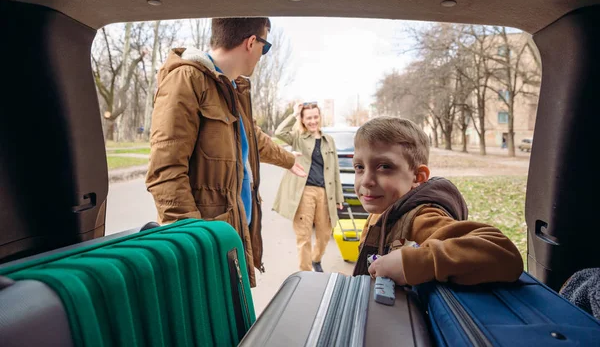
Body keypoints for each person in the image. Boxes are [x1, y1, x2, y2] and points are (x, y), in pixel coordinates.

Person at [145, 17, 306, 287]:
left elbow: (253, 139)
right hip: (207, 243)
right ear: (251, 42)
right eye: (264, 48)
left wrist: (288, 160)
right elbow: (165, 173)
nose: (262, 56)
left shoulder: (231, 88)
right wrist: (195, 244)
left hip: (233, 233)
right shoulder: (187, 79)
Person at [352, 116, 523, 285]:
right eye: (359, 167)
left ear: (418, 177)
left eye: (384, 167)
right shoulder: (381, 211)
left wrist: (412, 263)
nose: (366, 180)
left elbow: (503, 253)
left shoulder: (420, 219)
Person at [273, 102, 344, 272]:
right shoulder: (298, 137)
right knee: (303, 236)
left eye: (315, 117)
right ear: (303, 120)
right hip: (304, 192)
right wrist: (294, 113)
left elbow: (334, 171)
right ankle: (305, 272)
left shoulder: (329, 141)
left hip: (325, 193)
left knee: (325, 234)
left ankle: (316, 259)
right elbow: (279, 132)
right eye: (309, 118)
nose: (313, 121)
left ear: (320, 117)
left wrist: (339, 198)